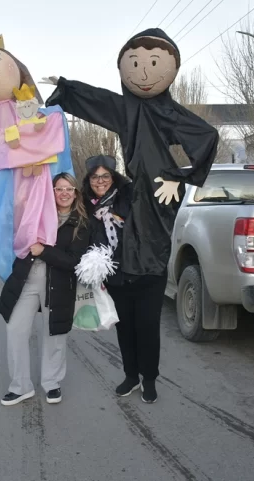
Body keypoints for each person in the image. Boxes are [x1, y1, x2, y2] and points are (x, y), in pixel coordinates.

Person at [0, 172, 90, 406]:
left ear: (75, 193)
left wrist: (44, 251)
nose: (64, 193)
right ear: (51, 192)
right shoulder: (35, 213)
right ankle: (20, 386)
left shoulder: (80, 223)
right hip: (26, 279)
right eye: (59, 189)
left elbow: (74, 261)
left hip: (58, 283)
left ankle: (52, 383)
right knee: (15, 330)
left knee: (55, 335)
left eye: (69, 189)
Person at [83, 155, 165, 403]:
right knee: (125, 329)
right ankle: (131, 376)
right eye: (95, 177)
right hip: (116, 278)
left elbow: (150, 187)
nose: (100, 181)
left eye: (105, 176)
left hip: (147, 273)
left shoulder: (130, 195)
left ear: (114, 177)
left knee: (148, 328)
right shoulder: (87, 204)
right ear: (89, 180)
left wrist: (172, 181)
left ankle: (149, 379)